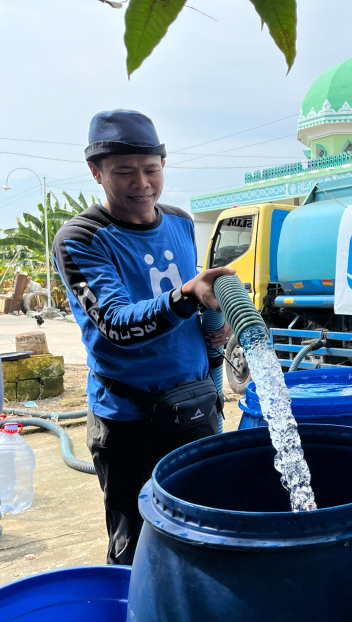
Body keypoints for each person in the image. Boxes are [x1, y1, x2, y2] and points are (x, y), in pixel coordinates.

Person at [53, 109, 233, 565]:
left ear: (163, 166)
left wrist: (214, 323)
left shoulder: (179, 221)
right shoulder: (82, 237)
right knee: (138, 547)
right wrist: (187, 296)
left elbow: (193, 298)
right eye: (124, 172)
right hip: (130, 419)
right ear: (96, 172)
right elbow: (116, 324)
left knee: (205, 529)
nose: (142, 183)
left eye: (150, 169)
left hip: (195, 406)